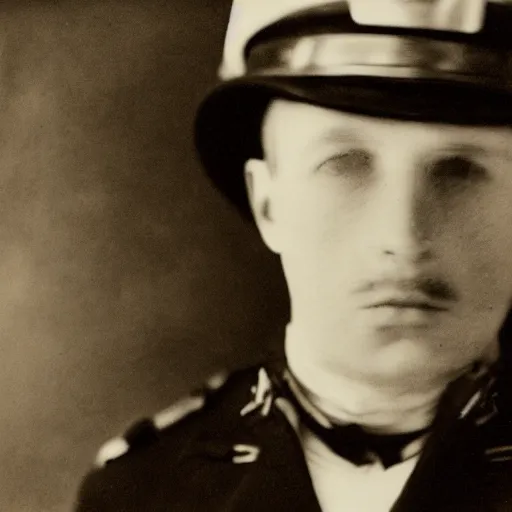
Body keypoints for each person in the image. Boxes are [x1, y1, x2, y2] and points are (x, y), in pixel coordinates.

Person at [75, 1, 512, 510]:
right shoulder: (141, 492)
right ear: (268, 204)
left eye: (460, 170)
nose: (403, 234)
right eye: (344, 164)